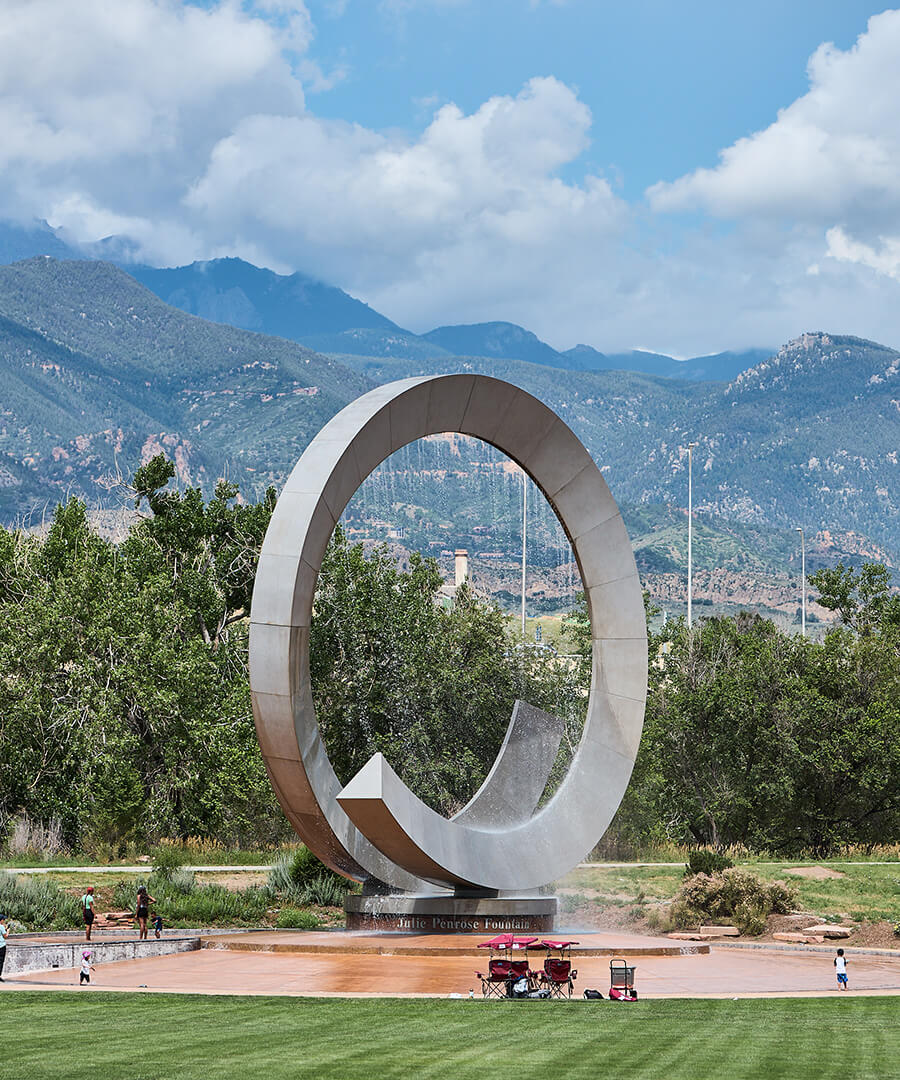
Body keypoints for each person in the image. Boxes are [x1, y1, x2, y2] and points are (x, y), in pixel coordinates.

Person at [0, 914, 8, 982]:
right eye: (3, 919)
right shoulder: (1, 927)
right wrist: (7, 931)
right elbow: (5, 936)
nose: (4, 921)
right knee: (1, 961)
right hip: (1, 946)